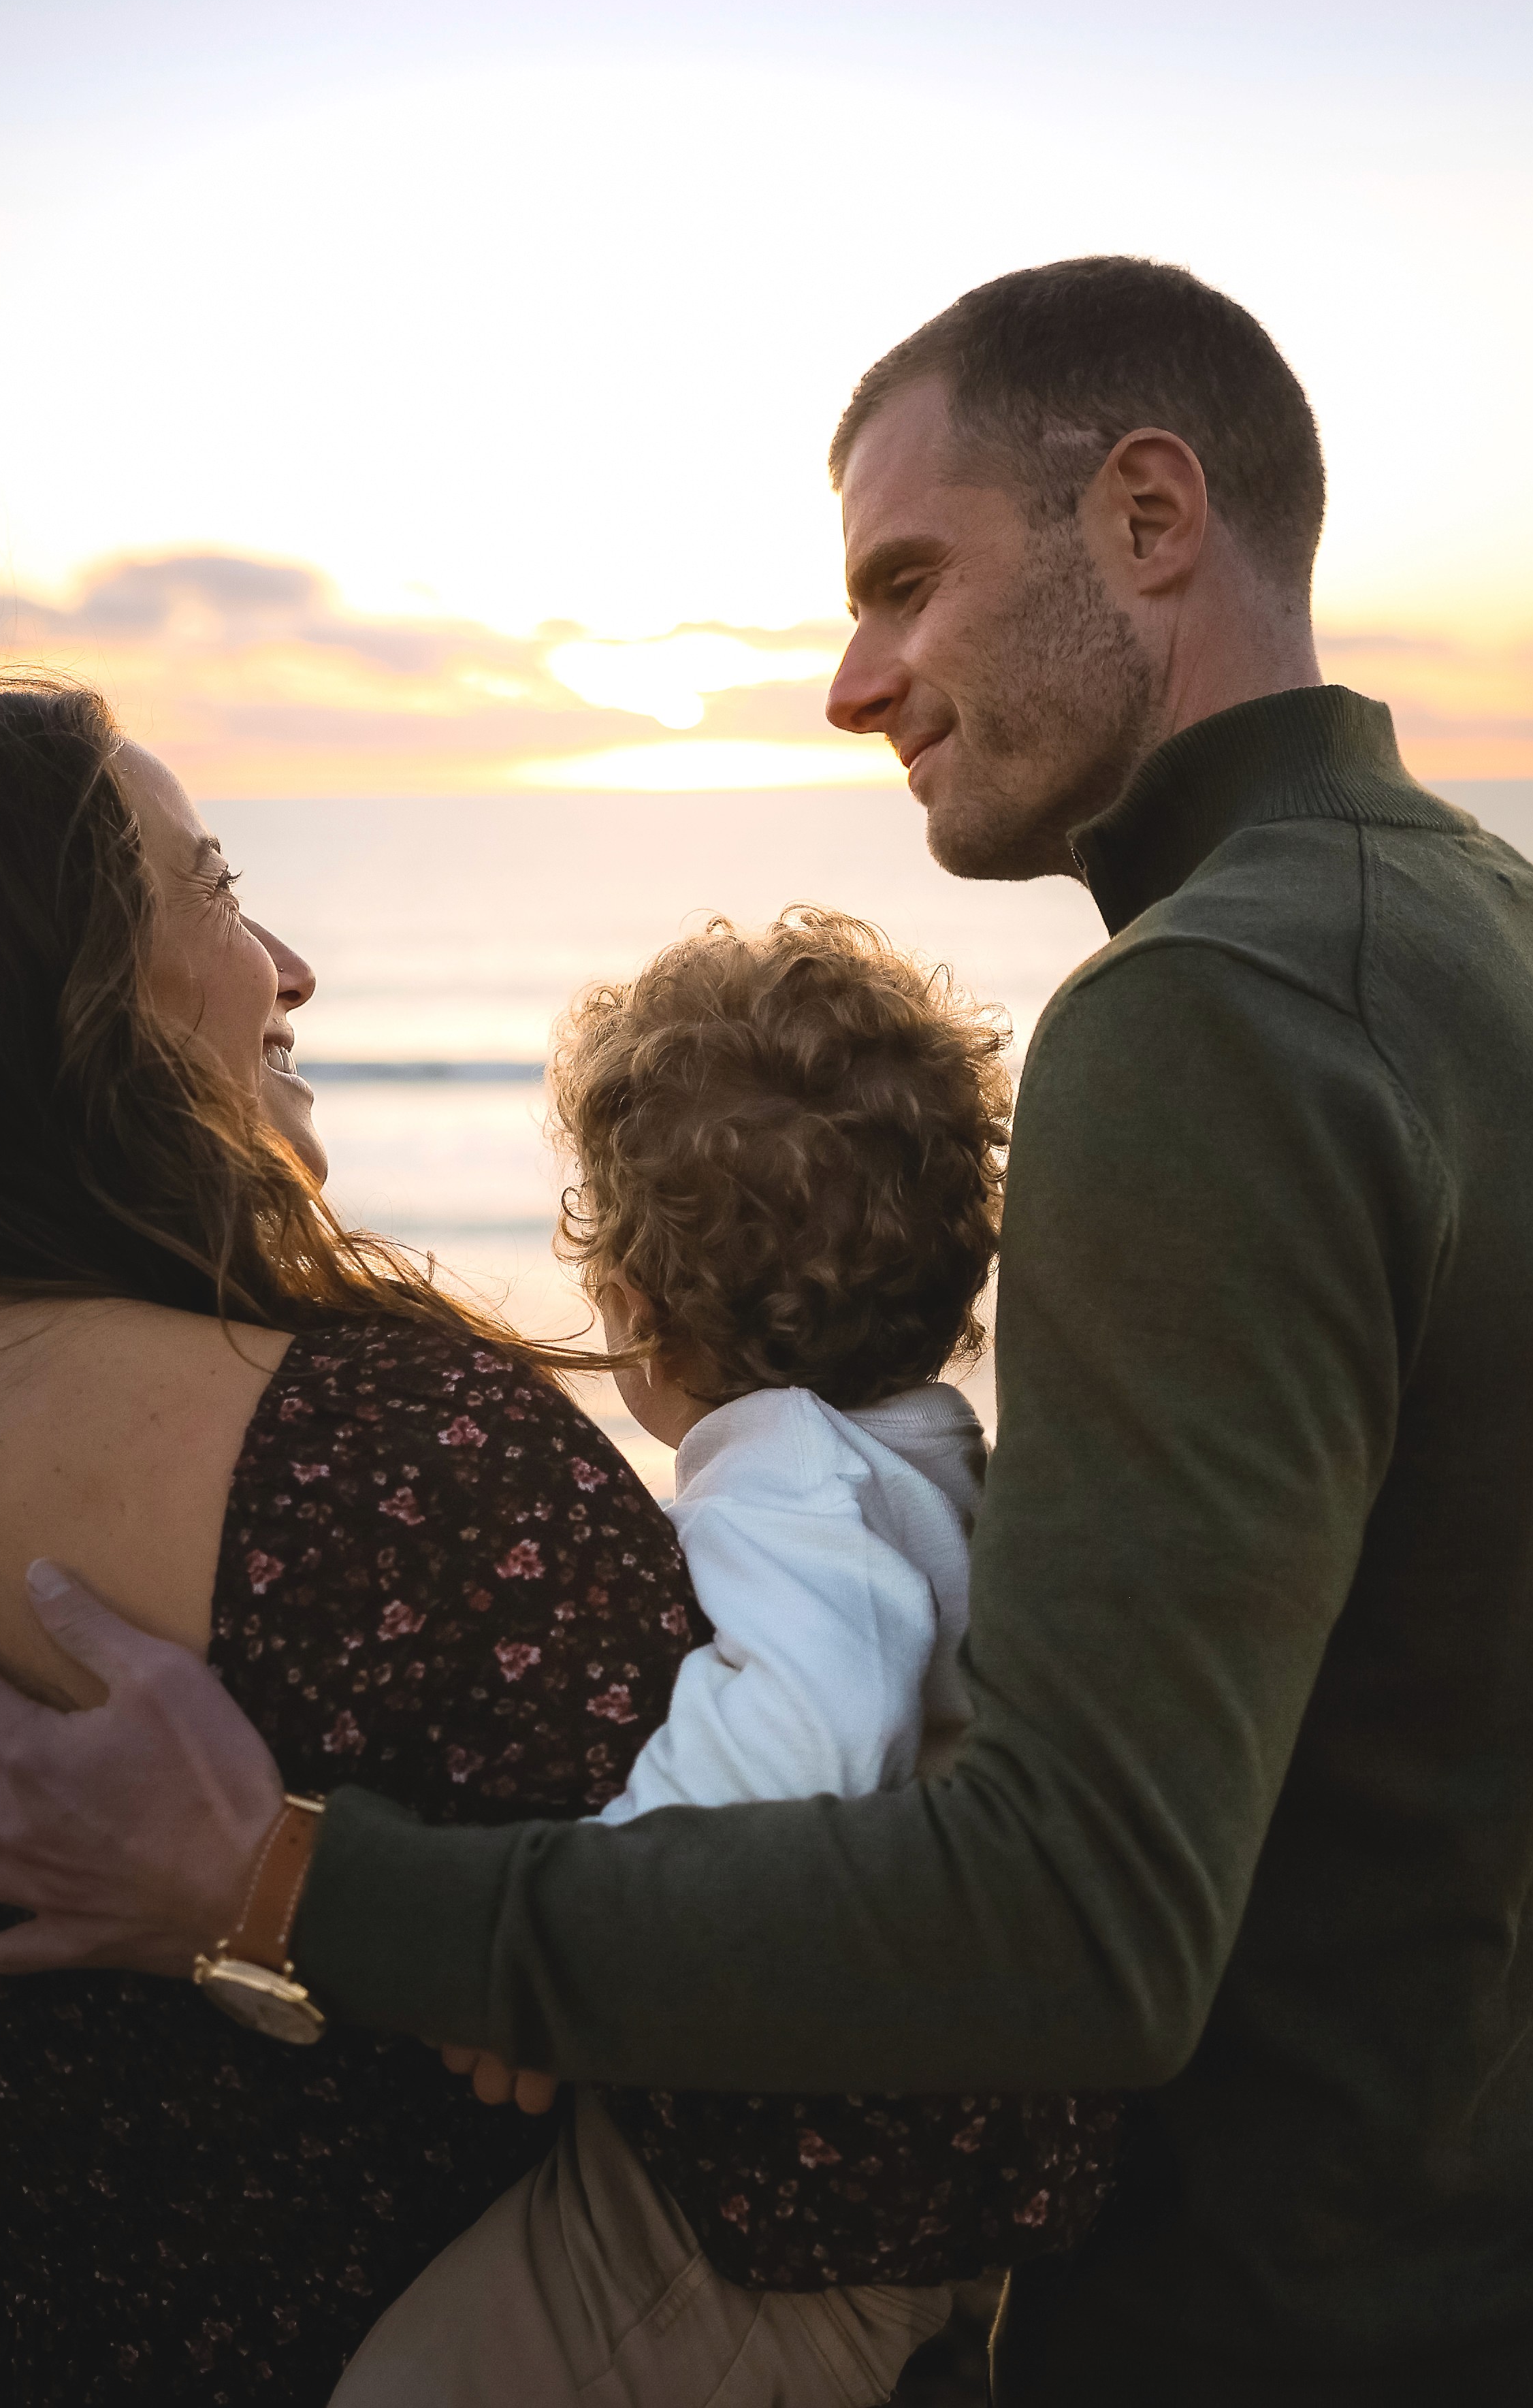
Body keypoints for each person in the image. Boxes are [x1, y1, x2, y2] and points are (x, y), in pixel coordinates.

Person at [0, 257, 1533, 2403]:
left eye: (908, 583)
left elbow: (1079, 1928)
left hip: (1280, 2326)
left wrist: (283, 1886)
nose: (854, 680)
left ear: (1148, 516)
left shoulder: (1209, 1020)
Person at [0, 681, 1102, 2407]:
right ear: (69, 993)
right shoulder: (373, 1465)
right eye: (218, 885)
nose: (290, 963)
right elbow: (874, 2105)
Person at [338, 908, 1089, 2403]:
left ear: (638, 1308)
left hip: (765, 2220)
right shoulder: (933, 1454)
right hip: (923, 2173)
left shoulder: (783, 1472)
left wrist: (564, 1939)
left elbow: (809, 1726)